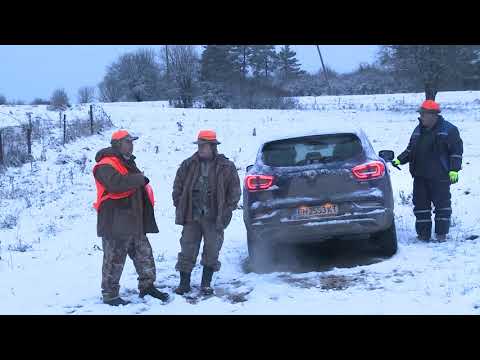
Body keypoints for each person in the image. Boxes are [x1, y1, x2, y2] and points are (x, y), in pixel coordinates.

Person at [93, 130, 169, 306]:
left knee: (145, 254)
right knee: (114, 259)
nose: (131, 144)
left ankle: (147, 287)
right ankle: (110, 295)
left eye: (132, 141)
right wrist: (139, 178)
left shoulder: (126, 162)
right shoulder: (105, 164)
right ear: (117, 144)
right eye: (128, 141)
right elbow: (115, 185)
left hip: (133, 218)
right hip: (115, 220)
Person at [172, 130, 241, 295]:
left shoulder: (226, 166)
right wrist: (180, 203)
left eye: (204, 146)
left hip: (214, 217)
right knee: (187, 248)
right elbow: (177, 186)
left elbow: (235, 190)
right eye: (199, 145)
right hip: (192, 215)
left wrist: (227, 209)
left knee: (212, 249)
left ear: (213, 147)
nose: (201, 149)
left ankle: (206, 284)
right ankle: (184, 284)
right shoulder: (188, 164)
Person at [392, 100, 463, 242]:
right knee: (420, 207)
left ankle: (441, 235)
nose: (421, 117)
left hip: (440, 176)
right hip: (420, 176)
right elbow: (410, 149)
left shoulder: (449, 130)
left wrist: (454, 169)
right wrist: (400, 159)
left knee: (442, 207)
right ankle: (423, 235)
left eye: (423, 114)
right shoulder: (418, 130)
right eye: (421, 114)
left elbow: (456, 151)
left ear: (433, 115)